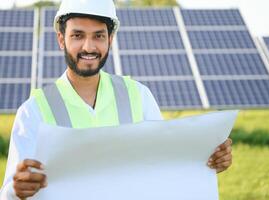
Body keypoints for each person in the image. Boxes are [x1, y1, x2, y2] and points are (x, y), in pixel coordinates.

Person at [0, 0, 233, 199]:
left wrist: (208, 160)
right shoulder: (34, 111)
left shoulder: (138, 96)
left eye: (98, 36)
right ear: (61, 39)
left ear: (110, 39)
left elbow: (164, 165)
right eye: (78, 35)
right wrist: (16, 190)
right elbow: (9, 192)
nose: (88, 47)